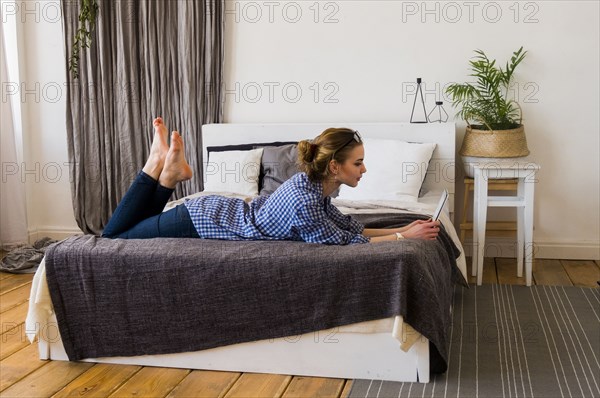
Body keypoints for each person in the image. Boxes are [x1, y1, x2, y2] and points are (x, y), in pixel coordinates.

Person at [102, 118, 441, 243]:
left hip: (210, 211)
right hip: (198, 220)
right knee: (112, 237)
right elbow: (347, 244)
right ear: (335, 167)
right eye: (359, 162)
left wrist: (406, 227)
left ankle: (167, 174)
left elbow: (350, 228)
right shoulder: (306, 200)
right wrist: (401, 236)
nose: (364, 169)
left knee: (130, 227)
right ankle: (156, 166)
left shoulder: (317, 189)